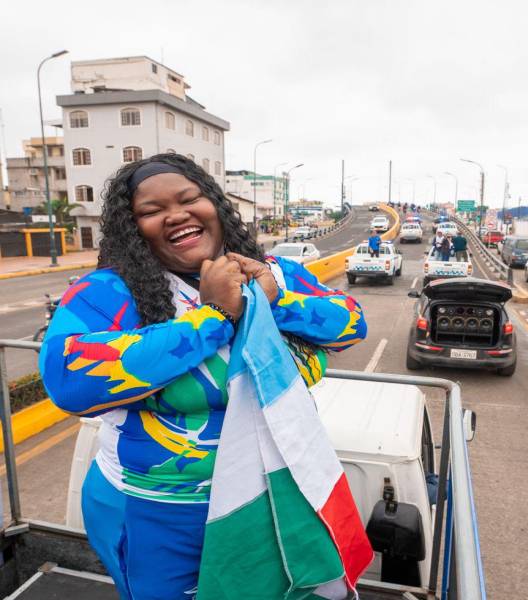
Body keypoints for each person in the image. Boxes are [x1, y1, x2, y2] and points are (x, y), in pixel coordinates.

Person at [39, 154, 368, 599]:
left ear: (214, 204)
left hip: (279, 491)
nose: (176, 215)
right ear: (133, 228)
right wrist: (211, 318)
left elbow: (350, 325)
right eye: (151, 211)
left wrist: (275, 300)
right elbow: (67, 378)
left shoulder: (274, 273)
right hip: (160, 512)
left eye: (189, 199)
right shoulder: (108, 292)